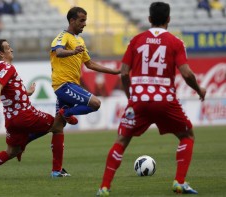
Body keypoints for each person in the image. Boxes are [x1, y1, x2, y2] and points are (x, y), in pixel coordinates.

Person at [96, 2, 206, 196]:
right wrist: (199, 90)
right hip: (165, 100)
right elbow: (187, 74)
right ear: (169, 19)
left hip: (139, 101)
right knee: (187, 136)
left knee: (121, 140)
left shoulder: (136, 40)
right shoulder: (176, 42)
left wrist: (131, 96)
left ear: (149, 19)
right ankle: (179, 182)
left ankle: (104, 187)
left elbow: (123, 73)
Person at [0, 39, 67, 180]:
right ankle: (57, 171)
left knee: (11, 151)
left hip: (11, 120)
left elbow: (7, 91)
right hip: (24, 115)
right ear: (1, 54)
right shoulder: (8, 67)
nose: (12, 50)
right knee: (58, 126)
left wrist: (27, 92)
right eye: (8, 48)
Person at [49, 7, 120, 177]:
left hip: (70, 85)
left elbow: (90, 64)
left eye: (85, 20)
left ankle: (56, 171)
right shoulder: (62, 37)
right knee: (96, 103)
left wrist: (114, 71)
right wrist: (72, 52)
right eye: (81, 20)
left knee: (57, 128)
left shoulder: (80, 41)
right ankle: (66, 112)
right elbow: (58, 52)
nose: (85, 24)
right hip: (63, 85)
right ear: (72, 20)